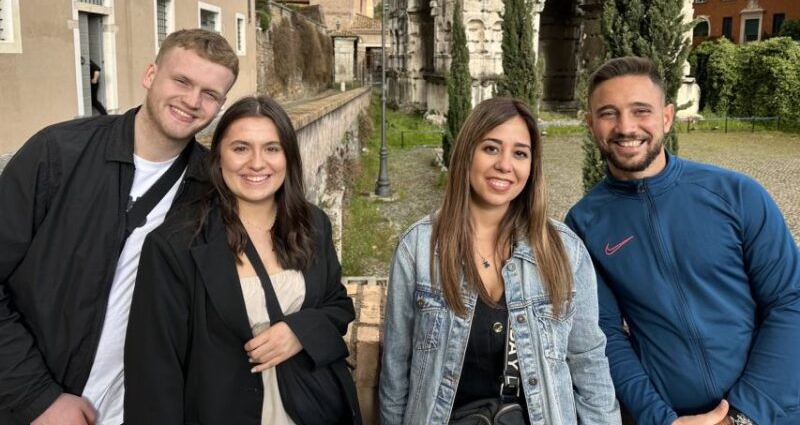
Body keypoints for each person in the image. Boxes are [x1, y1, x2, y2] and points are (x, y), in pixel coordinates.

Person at [0, 29, 239, 425]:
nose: (192, 101)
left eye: (210, 94)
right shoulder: (58, 153)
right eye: (181, 81)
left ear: (220, 106)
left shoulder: (211, 188)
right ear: (150, 75)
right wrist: (38, 399)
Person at [566, 56, 800, 425]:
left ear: (667, 116)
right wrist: (660, 419)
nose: (626, 127)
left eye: (641, 110)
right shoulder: (583, 223)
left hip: (771, 413)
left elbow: (790, 302)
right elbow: (604, 336)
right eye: (609, 113)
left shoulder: (736, 194)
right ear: (591, 124)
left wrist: (741, 415)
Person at [380, 96, 620, 425]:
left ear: (532, 166)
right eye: (491, 148)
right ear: (468, 154)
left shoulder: (564, 250)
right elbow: (396, 373)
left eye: (519, 153)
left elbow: (588, 364)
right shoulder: (419, 248)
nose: (505, 165)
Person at [124, 95, 360, 425]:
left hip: (314, 408)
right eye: (241, 148)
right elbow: (153, 370)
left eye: (271, 148)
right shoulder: (174, 245)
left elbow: (338, 305)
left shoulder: (313, 224)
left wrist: (298, 332)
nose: (257, 163)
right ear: (218, 156)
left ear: (288, 157)